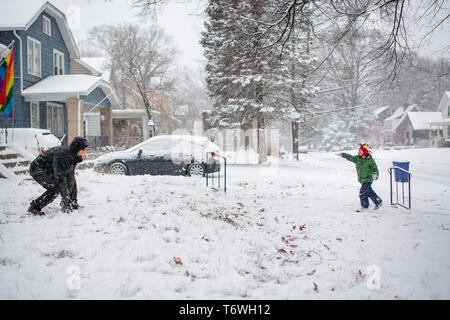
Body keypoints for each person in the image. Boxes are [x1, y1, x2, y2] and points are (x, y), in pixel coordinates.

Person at [27, 136, 89, 216]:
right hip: (38, 168)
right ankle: (34, 208)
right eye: (86, 148)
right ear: (79, 149)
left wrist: (67, 199)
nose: (87, 150)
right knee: (54, 188)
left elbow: (70, 176)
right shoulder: (63, 156)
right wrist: (65, 197)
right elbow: (60, 178)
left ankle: (72, 201)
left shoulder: (74, 156)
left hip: (51, 169)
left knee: (71, 179)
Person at [339, 144, 382, 211]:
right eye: (359, 150)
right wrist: (343, 154)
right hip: (362, 179)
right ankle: (378, 201)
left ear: (365, 152)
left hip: (368, 179)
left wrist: (375, 174)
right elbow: (350, 157)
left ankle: (365, 206)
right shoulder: (357, 159)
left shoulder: (370, 160)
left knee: (362, 193)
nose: (359, 152)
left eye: (360, 151)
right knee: (368, 191)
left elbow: (374, 168)